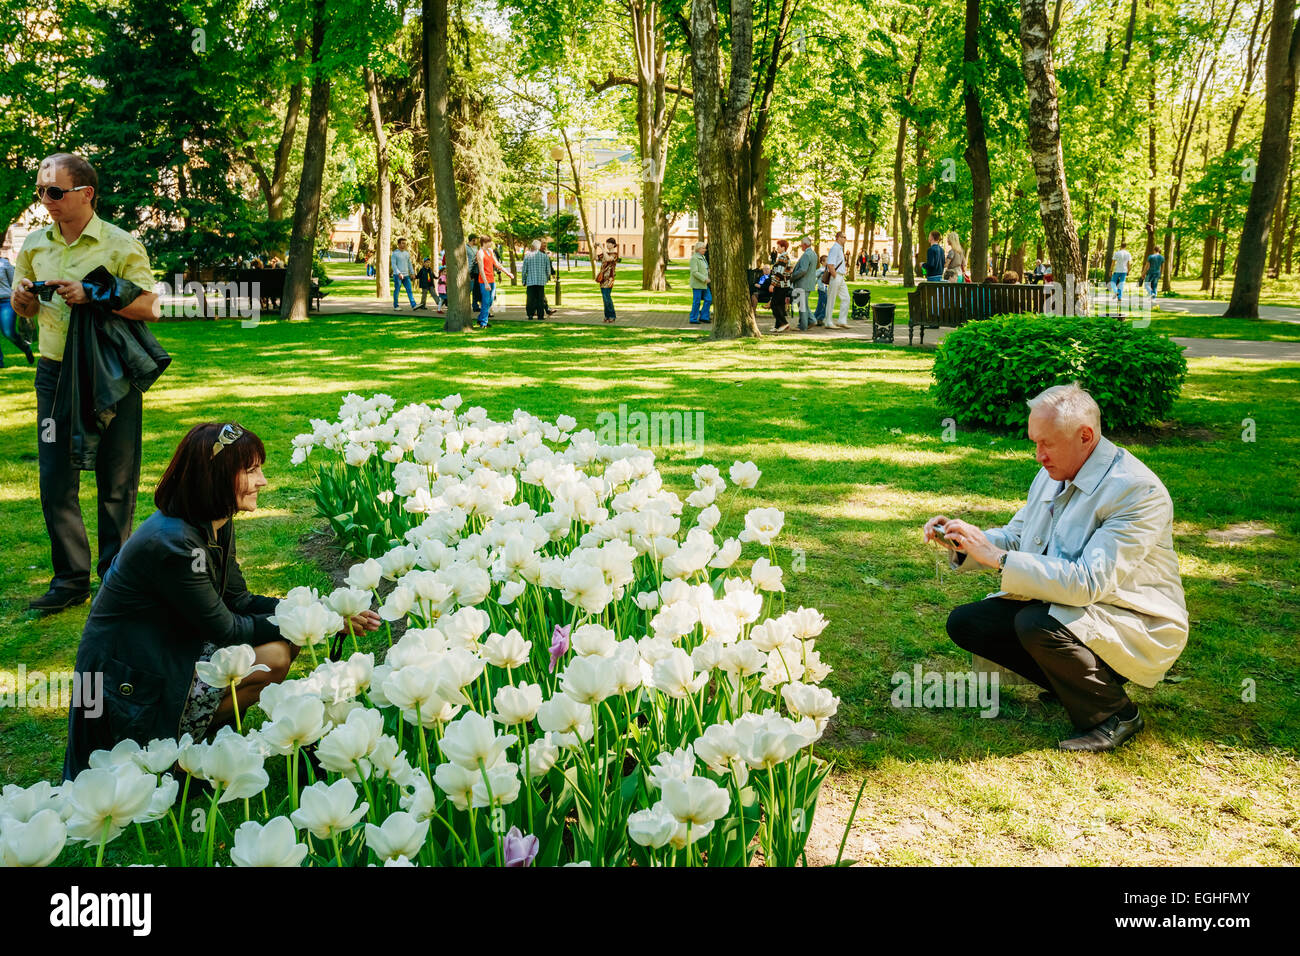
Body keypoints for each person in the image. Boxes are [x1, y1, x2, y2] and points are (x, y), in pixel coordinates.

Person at [62, 422, 380, 779]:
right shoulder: (174, 544)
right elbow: (227, 628)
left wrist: (326, 612)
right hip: (132, 682)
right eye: (251, 471)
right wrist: (318, 624)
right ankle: (172, 756)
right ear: (214, 477)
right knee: (274, 653)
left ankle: (192, 746)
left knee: (279, 649)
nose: (263, 481)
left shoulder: (212, 522)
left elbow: (239, 599)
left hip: (168, 653)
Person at [926, 384, 1187, 753]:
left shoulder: (1136, 490)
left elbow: (1087, 583)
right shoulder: (1056, 471)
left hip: (1135, 620)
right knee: (969, 622)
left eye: (1046, 443)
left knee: (1035, 624)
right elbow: (1018, 537)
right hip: (1081, 607)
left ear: (1085, 436)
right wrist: (965, 540)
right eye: (1035, 442)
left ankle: (1116, 714)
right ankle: (1070, 683)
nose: (1038, 455)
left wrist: (997, 558)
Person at [11, 153, 161, 613]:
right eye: (41, 191)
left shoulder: (119, 244)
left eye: (54, 192)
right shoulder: (35, 245)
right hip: (54, 376)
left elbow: (150, 306)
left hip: (109, 375)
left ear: (85, 194)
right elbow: (28, 312)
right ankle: (70, 580)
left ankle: (114, 578)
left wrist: (92, 294)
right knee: (56, 479)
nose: (46, 200)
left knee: (117, 479)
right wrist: (22, 300)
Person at [0, 253, 36, 367]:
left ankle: (26, 348)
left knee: (8, 332)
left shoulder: (4, 264)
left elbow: (15, 284)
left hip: (5, 301)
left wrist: (19, 302)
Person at [474, 237, 512, 329]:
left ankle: (480, 318)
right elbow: (481, 269)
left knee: (490, 301)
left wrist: (507, 273)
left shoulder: (490, 251)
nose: (491, 243)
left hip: (492, 280)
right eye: (489, 242)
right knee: (486, 301)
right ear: (484, 242)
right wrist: (486, 283)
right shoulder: (480, 253)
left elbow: (497, 264)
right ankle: (483, 323)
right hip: (484, 281)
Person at [789, 236, 817, 331]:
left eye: (801, 244)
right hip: (808, 284)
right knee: (804, 304)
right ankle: (811, 320)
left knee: (802, 306)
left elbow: (803, 270)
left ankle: (803, 326)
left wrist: (792, 277)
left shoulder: (806, 255)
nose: (800, 246)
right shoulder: (814, 254)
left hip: (802, 284)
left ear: (805, 245)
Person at [522, 239, 553, 321]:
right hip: (541, 280)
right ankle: (540, 315)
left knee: (530, 299)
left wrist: (523, 280)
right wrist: (546, 277)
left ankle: (530, 314)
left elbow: (524, 270)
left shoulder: (528, 256)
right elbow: (548, 269)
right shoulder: (544, 256)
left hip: (530, 281)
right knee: (540, 298)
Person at [824, 230, 850, 328]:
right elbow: (830, 265)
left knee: (846, 298)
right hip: (836, 276)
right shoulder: (835, 248)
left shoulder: (840, 249)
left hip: (840, 277)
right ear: (838, 238)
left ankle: (842, 321)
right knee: (831, 299)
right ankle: (828, 321)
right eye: (844, 237)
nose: (845, 239)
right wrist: (835, 276)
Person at [770, 238, 792, 333]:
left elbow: (779, 273)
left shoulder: (783, 258)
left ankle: (784, 323)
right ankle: (778, 325)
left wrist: (772, 284)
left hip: (780, 285)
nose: (777, 248)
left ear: (783, 248)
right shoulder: (784, 257)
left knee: (774, 304)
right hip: (783, 285)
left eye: (778, 246)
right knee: (779, 304)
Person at [595, 237, 619, 323]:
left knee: (607, 296)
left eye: (609, 243)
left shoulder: (615, 254)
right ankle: (607, 316)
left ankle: (612, 315)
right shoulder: (605, 253)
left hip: (609, 279)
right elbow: (595, 258)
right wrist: (595, 248)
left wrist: (602, 247)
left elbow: (609, 259)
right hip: (602, 279)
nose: (607, 244)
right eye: (607, 243)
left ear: (613, 244)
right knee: (604, 298)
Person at [688, 241, 711, 325]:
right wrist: (704, 279)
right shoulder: (694, 258)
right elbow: (694, 272)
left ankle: (704, 317)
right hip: (698, 284)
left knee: (709, 299)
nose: (705, 250)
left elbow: (704, 268)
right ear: (698, 249)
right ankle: (693, 318)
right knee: (697, 301)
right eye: (703, 248)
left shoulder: (703, 257)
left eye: (705, 248)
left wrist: (708, 270)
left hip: (704, 284)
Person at [391, 237, 417, 310]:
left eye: (405, 243)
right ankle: (396, 306)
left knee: (409, 290)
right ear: (398, 244)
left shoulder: (407, 253)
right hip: (397, 276)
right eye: (402, 243)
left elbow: (409, 264)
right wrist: (399, 273)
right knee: (397, 290)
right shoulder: (395, 254)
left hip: (406, 275)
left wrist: (412, 273)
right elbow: (394, 265)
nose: (404, 245)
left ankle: (413, 305)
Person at [465, 234, 482, 315]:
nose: (477, 241)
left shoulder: (475, 248)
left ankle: (475, 305)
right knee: (468, 289)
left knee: (475, 289)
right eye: (476, 239)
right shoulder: (465, 248)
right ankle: (465, 305)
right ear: (473, 239)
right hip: (468, 271)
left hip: (475, 271)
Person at [813, 255, 830, 326]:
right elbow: (814, 278)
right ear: (822, 262)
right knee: (825, 304)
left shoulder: (827, 269)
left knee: (820, 304)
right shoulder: (820, 270)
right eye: (826, 260)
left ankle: (814, 318)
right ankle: (819, 318)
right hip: (821, 289)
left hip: (825, 289)